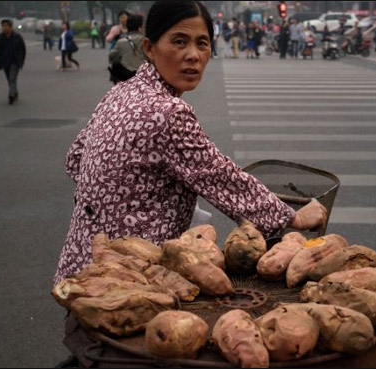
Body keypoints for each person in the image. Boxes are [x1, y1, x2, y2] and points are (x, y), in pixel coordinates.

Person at [55, 0, 327, 316]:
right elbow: (216, 174)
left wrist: (132, 193)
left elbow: (75, 160)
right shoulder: (169, 111)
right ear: (150, 48)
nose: (193, 55)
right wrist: (290, 217)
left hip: (80, 265)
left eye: (202, 43)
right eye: (179, 42)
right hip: (131, 277)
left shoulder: (120, 92)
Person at [108, 14, 146, 84]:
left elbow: (111, 56)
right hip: (145, 77)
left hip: (125, 77)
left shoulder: (120, 41)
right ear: (139, 27)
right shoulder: (146, 42)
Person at [0, 19, 26, 105]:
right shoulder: (0, 37)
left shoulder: (17, 37)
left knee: (12, 78)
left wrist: (21, 61)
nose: (4, 28)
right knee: (10, 79)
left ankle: (11, 95)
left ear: (10, 27)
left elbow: (23, 50)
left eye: (6, 26)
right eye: (3, 26)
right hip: (5, 62)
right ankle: (15, 92)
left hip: (15, 61)